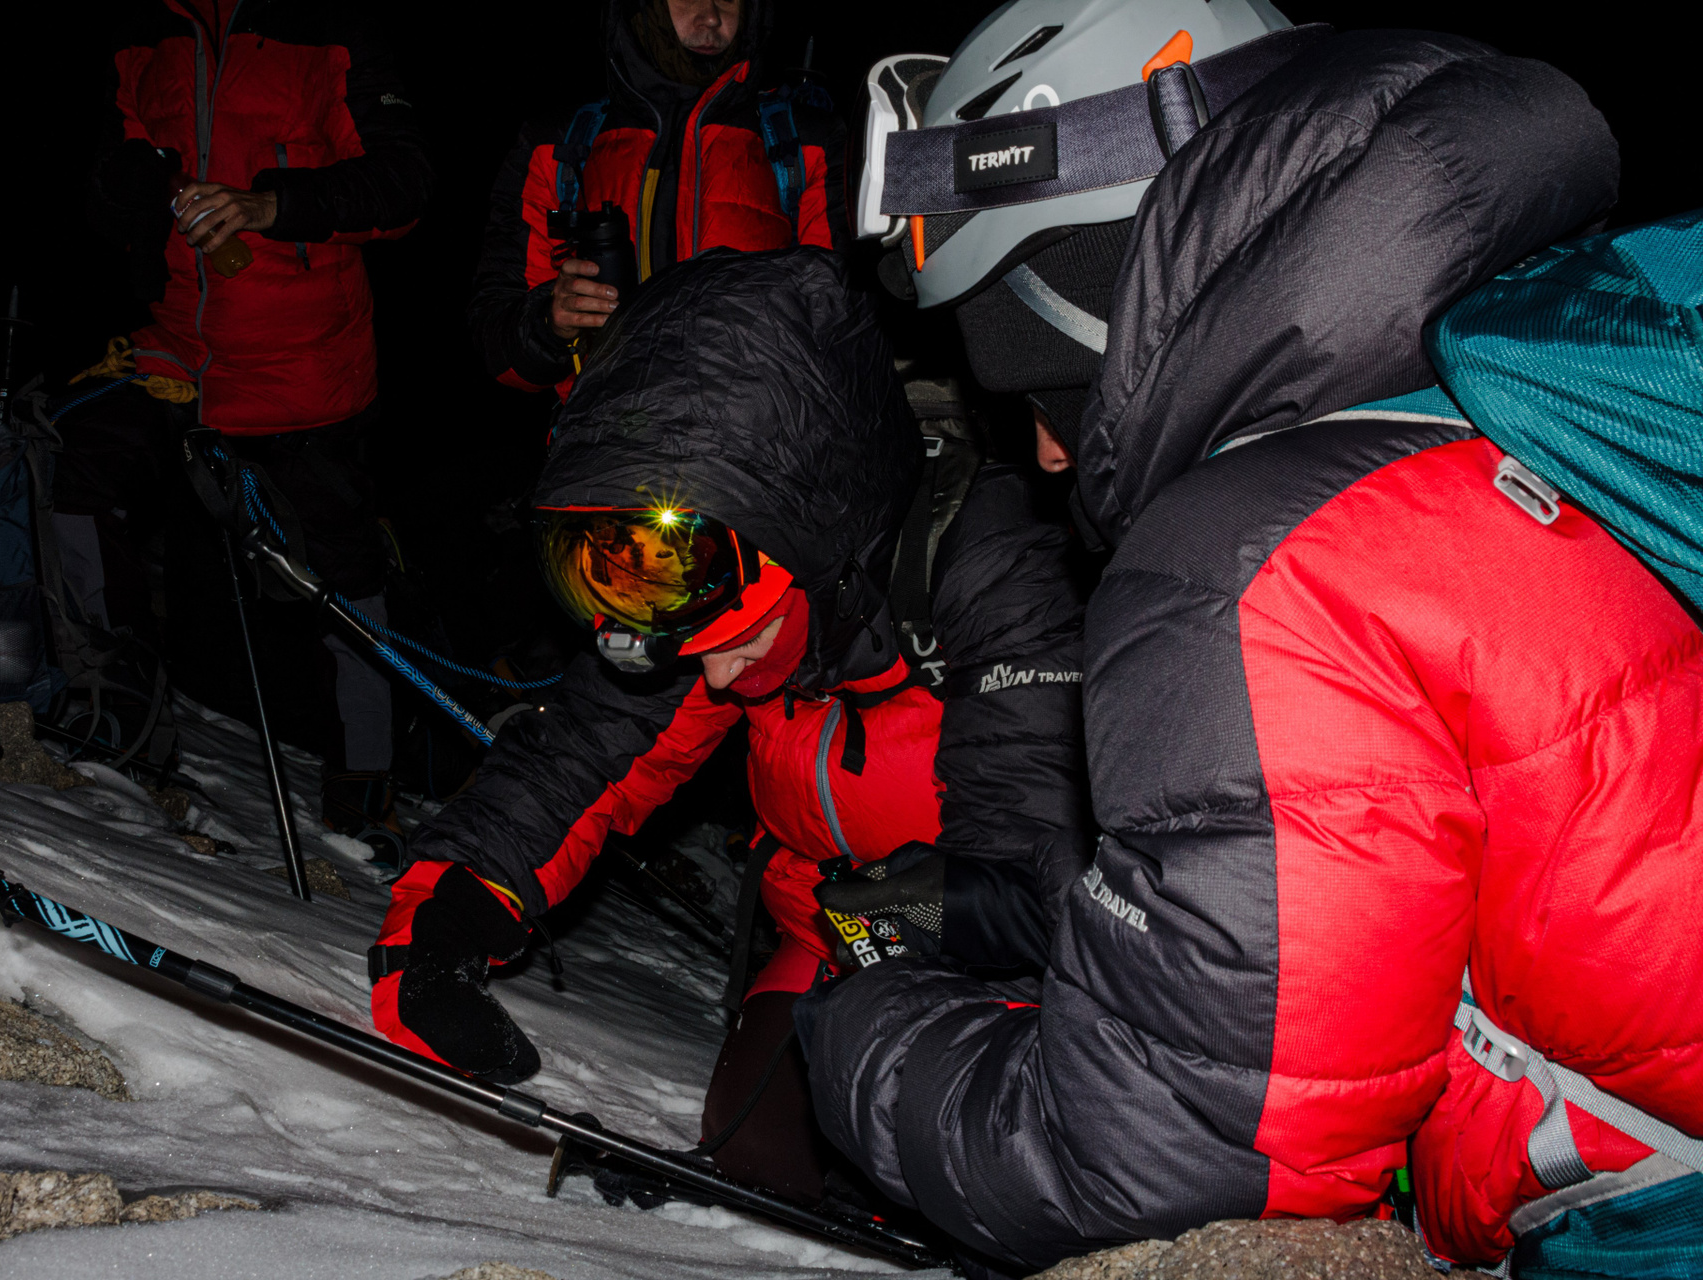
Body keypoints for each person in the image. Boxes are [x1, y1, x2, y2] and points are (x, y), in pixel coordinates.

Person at [801, 2, 1703, 1276]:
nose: (1049, 452)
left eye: (1037, 383)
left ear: (1101, 275)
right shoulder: (1512, 383)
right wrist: (1015, 911)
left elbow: (1150, 1170)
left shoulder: (1254, 559)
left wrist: (861, 1025)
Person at [369, 246, 1091, 1210]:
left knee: (955, 1152)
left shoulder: (995, 563)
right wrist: (444, 918)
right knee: (767, 1156)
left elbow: (1039, 875)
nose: (712, 677)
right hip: (831, 934)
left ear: (817, 549)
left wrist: (895, 915)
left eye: (738, 643)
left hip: (1025, 961)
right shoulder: (713, 572)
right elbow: (583, 759)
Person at [69, 0, 429, 838]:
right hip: (175, 350)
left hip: (303, 364)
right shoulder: (143, 31)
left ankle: (363, 795)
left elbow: (406, 184)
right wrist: (125, 186)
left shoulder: (330, 27)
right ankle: (111, 715)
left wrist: (271, 205)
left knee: (341, 583)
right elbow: (106, 188)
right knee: (75, 469)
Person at [468, 0, 847, 399]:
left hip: (760, 431)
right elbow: (499, 349)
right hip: (608, 432)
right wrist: (551, 323)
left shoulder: (807, 145)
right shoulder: (558, 148)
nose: (712, 16)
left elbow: (846, 335)